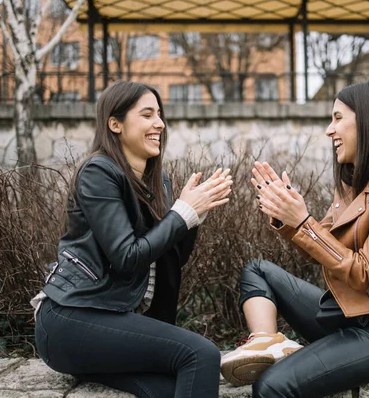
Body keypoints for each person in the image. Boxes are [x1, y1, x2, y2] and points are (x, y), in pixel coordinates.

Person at [220, 80, 369, 397]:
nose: (328, 130)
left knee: (271, 387)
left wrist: (303, 222)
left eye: (338, 118)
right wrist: (289, 218)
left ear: (368, 120)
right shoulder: (353, 181)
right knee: (257, 270)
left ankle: (279, 361)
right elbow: (321, 249)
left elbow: (365, 273)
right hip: (349, 313)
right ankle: (267, 341)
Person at [31, 81, 232, 398]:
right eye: (148, 114)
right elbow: (126, 257)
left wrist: (193, 219)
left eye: (160, 114)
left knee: (176, 387)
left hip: (115, 321)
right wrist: (181, 214)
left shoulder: (158, 180)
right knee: (202, 354)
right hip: (70, 319)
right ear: (115, 124)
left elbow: (169, 260)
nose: (160, 124)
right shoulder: (98, 172)